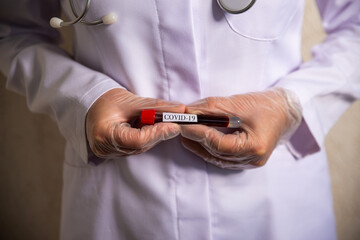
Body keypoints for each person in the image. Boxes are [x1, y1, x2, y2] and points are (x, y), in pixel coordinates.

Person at [0, 0, 359, 239]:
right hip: (120, 207)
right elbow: (12, 31)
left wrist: (292, 105)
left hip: (278, 207)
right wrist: (84, 98)